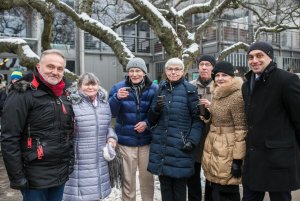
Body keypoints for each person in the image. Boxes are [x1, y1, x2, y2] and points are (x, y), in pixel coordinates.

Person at [1, 49, 75, 201]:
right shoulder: (22, 93)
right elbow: (9, 138)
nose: (55, 72)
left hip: (60, 173)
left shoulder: (64, 94)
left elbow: (69, 132)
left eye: (60, 68)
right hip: (33, 177)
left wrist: (69, 162)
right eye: (50, 66)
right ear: (38, 67)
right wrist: (17, 178)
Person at [242, 41, 300, 201]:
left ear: (270, 57)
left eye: (259, 55)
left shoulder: (287, 80)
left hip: (279, 159)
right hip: (254, 159)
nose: (254, 60)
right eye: (251, 57)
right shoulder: (246, 85)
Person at [147, 57, 203, 201]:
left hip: (181, 147)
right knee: (165, 188)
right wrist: (156, 109)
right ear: (165, 71)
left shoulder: (190, 90)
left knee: (179, 189)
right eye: (170, 69)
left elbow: (197, 119)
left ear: (183, 71)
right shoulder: (161, 88)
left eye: (177, 69)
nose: (173, 72)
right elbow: (152, 118)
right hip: (162, 147)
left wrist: (192, 141)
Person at [108, 57, 158, 201]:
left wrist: (147, 123)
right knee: (128, 180)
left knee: (147, 179)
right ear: (128, 72)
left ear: (144, 72)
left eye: (138, 71)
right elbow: (111, 113)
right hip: (125, 141)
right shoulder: (118, 88)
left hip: (146, 142)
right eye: (131, 71)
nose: (134, 74)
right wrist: (116, 99)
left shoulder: (154, 89)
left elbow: (157, 113)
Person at [63, 72, 117, 201]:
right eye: (87, 84)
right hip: (80, 159)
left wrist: (112, 137)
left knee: (96, 194)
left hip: (100, 157)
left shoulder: (104, 104)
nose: (91, 88)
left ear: (98, 86)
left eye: (94, 84)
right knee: (80, 195)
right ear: (80, 86)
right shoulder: (72, 103)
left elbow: (108, 125)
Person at [202, 61, 247, 201]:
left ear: (233, 77)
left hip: (228, 148)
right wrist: (207, 114)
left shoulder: (237, 96)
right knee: (213, 186)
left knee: (226, 190)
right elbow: (218, 117)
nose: (220, 78)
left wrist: (237, 160)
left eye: (224, 75)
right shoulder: (218, 92)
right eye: (217, 75)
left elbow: (241, 129)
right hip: (214, 144)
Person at [188, 55, 216, 201]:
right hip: (194, 139)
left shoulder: (220, 86)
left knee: (211, 177)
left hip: (213, 139)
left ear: (213, 67)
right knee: (192, 177)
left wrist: (211, 107)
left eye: (208, 64)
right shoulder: (190, 86)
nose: (204, 67)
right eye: (201, 64)